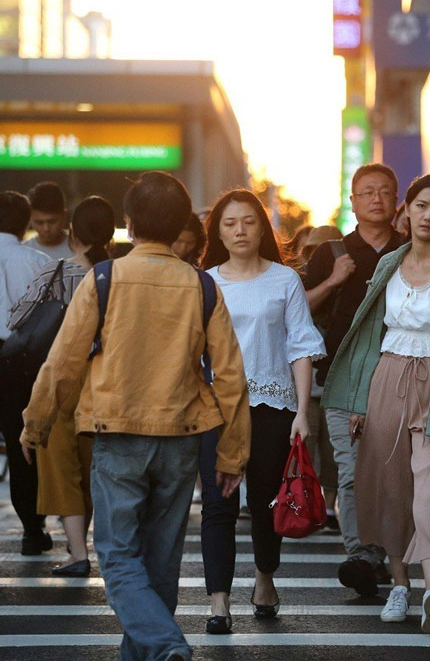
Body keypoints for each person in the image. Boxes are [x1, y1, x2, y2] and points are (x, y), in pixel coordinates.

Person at [20, 171, 251, 661]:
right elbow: (230, 376)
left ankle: (166, 644)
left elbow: (63, 361)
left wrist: (36, 423)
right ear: (180, 226)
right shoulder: (201, 285)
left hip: (116, 431)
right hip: (182, 433)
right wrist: (232, 453)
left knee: (119, 555)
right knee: (162, 560)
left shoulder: (104, 279)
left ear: (129, 224)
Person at [322, 173, 430, 632]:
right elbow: (369, 335)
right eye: (420, 206)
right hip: (386, 375)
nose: (427, 215)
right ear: (406, 210)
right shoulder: (389, 265)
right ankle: (399, 585)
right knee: (390, 488)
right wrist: (358, 398)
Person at [200, 189, 325, 633]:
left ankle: (264, 578)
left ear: (262, 227)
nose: (240, 230)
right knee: (218, 506)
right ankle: (218, 603)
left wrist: (302, 412)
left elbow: (301, 346)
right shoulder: (206, 282)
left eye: (249, 221)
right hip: (217, 412)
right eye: (230, 222)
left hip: (273, 407)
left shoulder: (284, 280)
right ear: (217, 230)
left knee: (265, 501)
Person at [303, 163, 406, 596]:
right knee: (350, 471)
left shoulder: (411, 247)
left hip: (399, 375)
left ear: (396, 199)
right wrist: (333, 280)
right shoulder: (331, 252)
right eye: (367, 192)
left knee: (390, 471)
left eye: (384, 191)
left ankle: (379, 553)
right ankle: (361, 555)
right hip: (343, 377)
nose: (376, 199)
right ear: (353, 201)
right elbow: (302, 307)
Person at [11, 196, 116, 575]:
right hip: (108, 382)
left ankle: (76, 554)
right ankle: (96, 546)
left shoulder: (58, 273)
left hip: (62, 378)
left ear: (74, 232)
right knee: (95, 469)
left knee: (59, 465)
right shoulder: (120, 274)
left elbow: (19, 316)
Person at [0, 191, 49, 555]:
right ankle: (33, 531)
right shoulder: (39, 262)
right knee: (23, 448)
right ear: (27, 221)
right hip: (20, 360)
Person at [300, 225, 344, 530]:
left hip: (339, 377)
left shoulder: (350, 278)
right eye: (312, 250)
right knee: (307, 445)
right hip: (305, 380)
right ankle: (309, 504)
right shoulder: (299, 280)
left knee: (334, 451)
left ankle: (328, 507)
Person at [24, 181, 72, 260]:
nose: (46, 229)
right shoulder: (23, 252)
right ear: (29, 218)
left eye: (52, 222)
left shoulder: (79, 252)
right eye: (39, 223)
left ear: (64, 215)